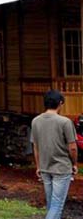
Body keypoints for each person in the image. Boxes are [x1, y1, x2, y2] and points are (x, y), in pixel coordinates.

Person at [31, 90, 78, 219]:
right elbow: (73, 147)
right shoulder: (65, 122)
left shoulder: (35, 121)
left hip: (45, 168)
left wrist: (38, 166)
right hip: (62, 168)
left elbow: (36, 146)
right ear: (60, 103)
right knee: (57, 204)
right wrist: (74, 163)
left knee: (51, 204)